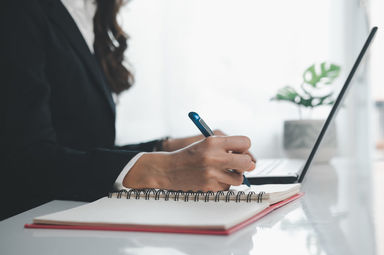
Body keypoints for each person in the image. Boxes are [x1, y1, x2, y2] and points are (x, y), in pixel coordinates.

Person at [0, 0, 255, 220]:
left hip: (82, 225)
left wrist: (166, 148)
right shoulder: (18, 9)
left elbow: (82, 150)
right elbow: (26, 161)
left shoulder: (90, 13)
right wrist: (164, 170)